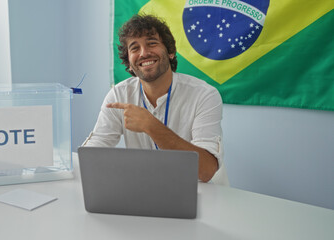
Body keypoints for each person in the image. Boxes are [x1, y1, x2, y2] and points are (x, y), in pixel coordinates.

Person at [83, 14, 228, 185]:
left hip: (202, 192)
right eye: (134, 48)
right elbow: (93, 152)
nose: (144, 53)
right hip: (148, 190)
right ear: (129, 63)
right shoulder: (119, 95)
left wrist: (151, 126)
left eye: (152, 43)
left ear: (171, 52)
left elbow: (206, 171)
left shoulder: (204, 95)